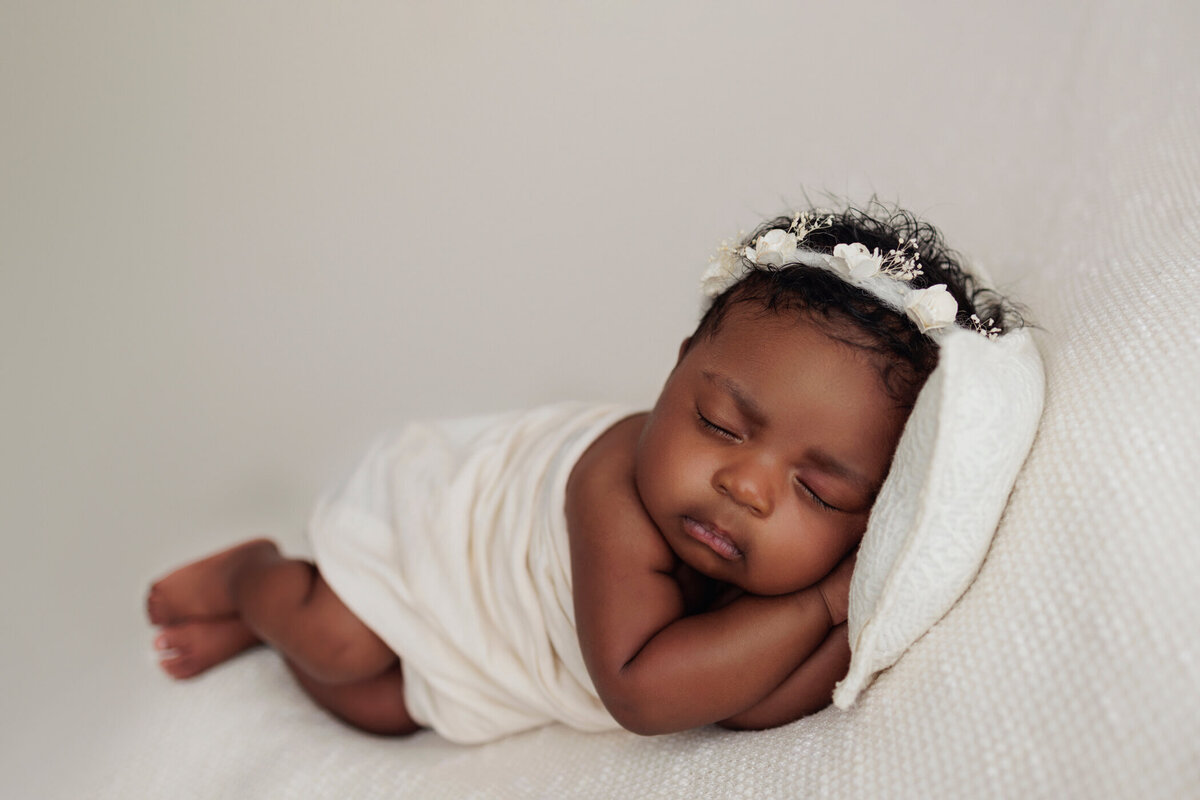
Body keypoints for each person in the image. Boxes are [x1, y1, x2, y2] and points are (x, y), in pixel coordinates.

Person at [146, 202, 1023, 743]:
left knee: (382, 711)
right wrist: (823, 605)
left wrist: (837, 612)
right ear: (677, 368)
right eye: (718, 424)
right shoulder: (616, 490)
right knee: (340, 643)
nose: (747, 487)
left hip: (495, 647)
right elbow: (647, 691)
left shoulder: (771, 551)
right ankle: (260, 577)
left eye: (820, 489)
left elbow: (741, 704)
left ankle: (263, 635)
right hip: (442, 537)